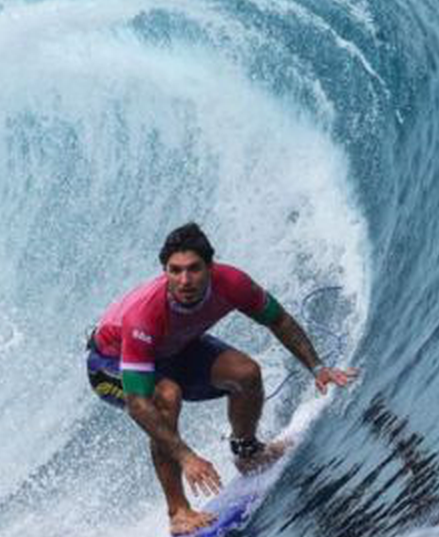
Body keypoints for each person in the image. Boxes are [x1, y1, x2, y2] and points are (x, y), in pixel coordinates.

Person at [86, 222, 358, 535]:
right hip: (108, 362)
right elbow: (137, 404)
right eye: (174, 271)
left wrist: (318, 368)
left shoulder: (232, 282)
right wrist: (187, 457)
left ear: (210, 267)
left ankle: (248, 453)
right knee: (166, 396)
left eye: (193, 269)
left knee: (246, 373)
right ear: (164, 271)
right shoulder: (144, 314)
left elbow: (279, 319)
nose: (184, 280)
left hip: (173, 350)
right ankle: (178, 512)